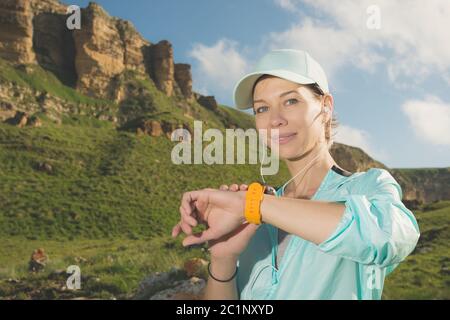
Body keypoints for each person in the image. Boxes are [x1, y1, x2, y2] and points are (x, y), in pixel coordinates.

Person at [171, 49, 420, 300]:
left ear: (325, 107)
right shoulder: (251, 221)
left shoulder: (368, 185)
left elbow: (388, 239)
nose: (275, 120)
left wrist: (254, 204)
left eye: (291, 101)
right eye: (261, 109)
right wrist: (224, 258)